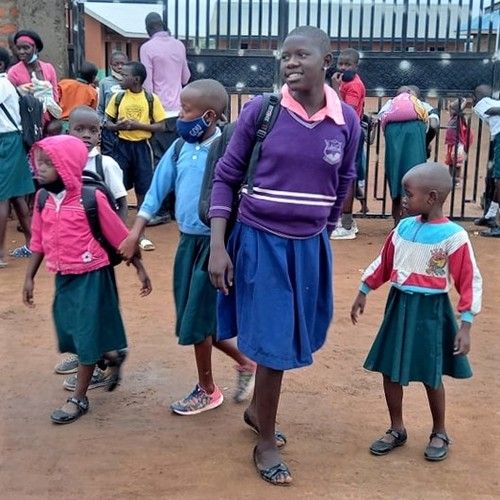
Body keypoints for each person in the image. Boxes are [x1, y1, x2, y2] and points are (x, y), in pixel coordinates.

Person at [208, 26, 360, 485]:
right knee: (274, 346)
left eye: (301, 55)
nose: (291, 63)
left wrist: (325, 232)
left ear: (326, 61)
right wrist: (218, 246)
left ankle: (258, 411)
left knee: (293, 337)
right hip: (261, 242)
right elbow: (225, 177)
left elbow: (345, 179)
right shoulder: (263, 111)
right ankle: (266, 443)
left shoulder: (346, 120)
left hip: (309, 246)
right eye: (285, 56)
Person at [119, 79, 257, 414]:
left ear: (208, 116)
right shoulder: (179, 147)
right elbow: (156, 191)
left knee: (197, 320)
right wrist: (136, 231)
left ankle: (207, 389)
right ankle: (245, 362)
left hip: (215, 245)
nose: (179, 116)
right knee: (194, 318)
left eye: (185, 110)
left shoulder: (226, 148)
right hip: (187, 244)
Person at [351, 163, 482, 462]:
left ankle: (439, 431)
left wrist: (466, 323)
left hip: (431, 313)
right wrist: (364, 289)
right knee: (389, 369)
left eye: (409, 194)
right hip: (399, 307)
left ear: (432, 197)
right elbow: (384, 262)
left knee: (430, 372)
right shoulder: (403, 228)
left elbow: (469, 279)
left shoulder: (454, 236)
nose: (404, 200)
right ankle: (397, 428)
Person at [22, 135, 152, 425]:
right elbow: (38, 241)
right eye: (38, 162)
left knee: (85, 333)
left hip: (92, 277)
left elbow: (119, 235)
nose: (39, 168)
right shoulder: (43, 199)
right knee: (68, 327)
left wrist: (139, 267)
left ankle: (79, 397)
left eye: (47, 164)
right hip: (64, 276)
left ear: (66, 166)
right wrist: (29, 277)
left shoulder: (90, 199)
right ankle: (111, 355)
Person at [52, 105, 131, 385]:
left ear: (100, 135)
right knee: (72, 308)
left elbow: (121, 202)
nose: (86, 135)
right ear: (68, 131)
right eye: (79, 129)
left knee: (93, 311)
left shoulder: (104, 165)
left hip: (98, 254)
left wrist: (119, 241)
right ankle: (83, 352)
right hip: (70, 255)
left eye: (93, 130)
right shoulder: (60, 164)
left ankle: (96, 363)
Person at [105, 61, 167, 251]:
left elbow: (161, 126)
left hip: (142, 148)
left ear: (136, 80)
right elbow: (107, 123)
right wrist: (118, 126)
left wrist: (137, 126)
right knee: (117, 189)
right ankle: (118, 233)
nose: (120, 78)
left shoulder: (150, 99)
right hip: (121, 147)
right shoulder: (117, 97)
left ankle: (140, 235)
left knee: (142, 190)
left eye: (125, 76)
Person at [140, 12, 191, 226]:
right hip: (180, 112)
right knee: (180, 158)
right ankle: (177, 208)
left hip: (160, 113)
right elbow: (186, 77)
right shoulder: (179, 45)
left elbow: (147, 85)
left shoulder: (147, 48)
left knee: (161, 162)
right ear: (163, 25)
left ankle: (161, 210)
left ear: (148, 28)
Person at [0, 47, 34, 267]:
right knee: (16, 195)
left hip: (5, 141)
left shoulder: (2, 84)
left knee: (2, 196)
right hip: (12, 140)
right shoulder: (7, 84)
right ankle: (33, 243)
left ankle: (0, 254)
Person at [376, 86, 428, 225]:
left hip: (394, 141)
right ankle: (412, 220)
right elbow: (434, 124)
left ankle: (397, 220)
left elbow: (380, 120)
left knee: (395, 177)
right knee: (415, 178)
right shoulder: (422, 106)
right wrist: (426, 141)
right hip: (415, 139)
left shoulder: (389, 105)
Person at [329, 47, 366, 240]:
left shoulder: (354, 85)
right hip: (343, 133)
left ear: (356, 66)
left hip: (351, 133)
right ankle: (341, 219)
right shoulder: (345, 82)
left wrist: (335, 89)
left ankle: (346, 224)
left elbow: (347, 112)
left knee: (347, 176)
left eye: (347, 64)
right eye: (340, 63)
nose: (342, 68)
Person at [8, 30, 59, 122]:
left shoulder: (49, 68)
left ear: (36, 48)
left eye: (26, 48)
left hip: (49, 120)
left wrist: (55, 119)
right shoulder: (13, 72)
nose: (21, 52)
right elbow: (12, 102)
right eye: (18, 48)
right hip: (26, 121)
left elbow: (55, 97)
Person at [473, 84, 500, 237]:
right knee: (496, 179)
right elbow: (491, 111)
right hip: (497, 137)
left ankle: (497, 223)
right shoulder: (483, 104)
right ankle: (490, 215)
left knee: (499, 180)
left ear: (476, 96)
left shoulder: (484, 102)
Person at [97, 51, 128, 155]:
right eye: (116, 64)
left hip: (128, 127)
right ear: (110, 65)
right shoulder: (104, 83)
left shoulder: (132, 82)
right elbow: (100, 108)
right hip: (109, 129)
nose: (119, 67)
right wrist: (103, 124)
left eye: (122, 64)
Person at [58, 61, 98, 125]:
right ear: (93, 78)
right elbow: (91, 113)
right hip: (79, 124)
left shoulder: (63, 83)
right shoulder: (93, 92)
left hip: (60, 122)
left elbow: (55, 101)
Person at [408, 85, 440, 159]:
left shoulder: (423, 105)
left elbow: (433, 116)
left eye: (412, 96)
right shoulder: (398, 105)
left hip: (420, 136)